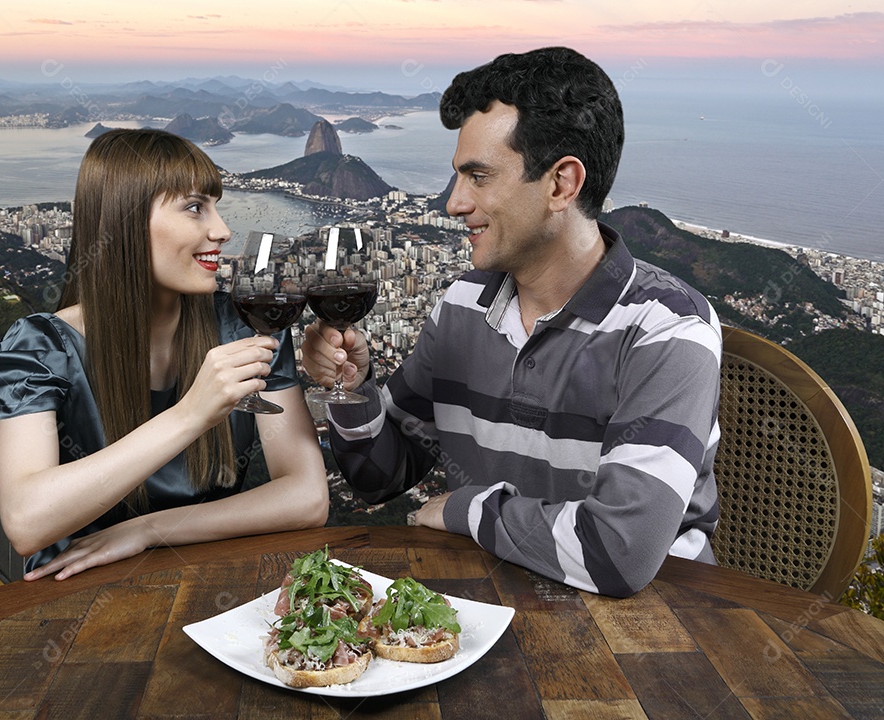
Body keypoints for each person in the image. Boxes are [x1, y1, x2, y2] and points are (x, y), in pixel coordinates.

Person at [302, 47, 722, 597]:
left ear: (561, 184)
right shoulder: (462, 306)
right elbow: (379, 476)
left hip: (657, 630)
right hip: (488, 603)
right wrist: (355, 389)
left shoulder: (666, 329)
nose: (453, 203)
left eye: (479, 177)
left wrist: (465, 509)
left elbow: (619, 554)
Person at [0, 128, 328, 581]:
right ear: (124, 222)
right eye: (195, 207)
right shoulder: (43, 347)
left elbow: (308, 496)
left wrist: (149, 530)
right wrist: (191, 414)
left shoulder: (245, 328)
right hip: (77, 600)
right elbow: (26, 523)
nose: (222, 231)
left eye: (216, 207)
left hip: (206, 585)